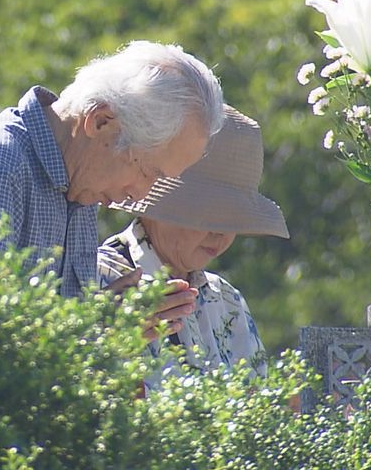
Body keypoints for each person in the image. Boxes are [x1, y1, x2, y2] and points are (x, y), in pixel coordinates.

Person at [0, 41, 225, 308]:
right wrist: (99, 331)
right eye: (148, 172)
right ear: (100, 123)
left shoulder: (77, 184)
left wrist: (107, 325)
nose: (140, 194)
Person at [99, 105, 290, 378]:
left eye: (234, 218)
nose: (221, 233)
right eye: (209, 215)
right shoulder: (98, 276)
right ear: (159, 203)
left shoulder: (227, 300)